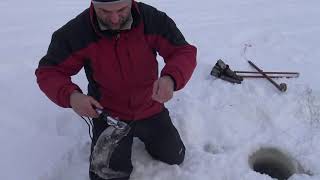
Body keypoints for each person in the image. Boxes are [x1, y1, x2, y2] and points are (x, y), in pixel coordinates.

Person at [35, 0, 197, 179]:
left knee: (175, 156)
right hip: (109, 115)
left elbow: (183, 51)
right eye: (104, 11)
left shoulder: (151, 19)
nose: (113, 19)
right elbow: (49, 72)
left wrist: (171, 78)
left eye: (121, 10)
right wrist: (72, 97)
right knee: (106, 176)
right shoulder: (77, 32)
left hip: (150, 108)